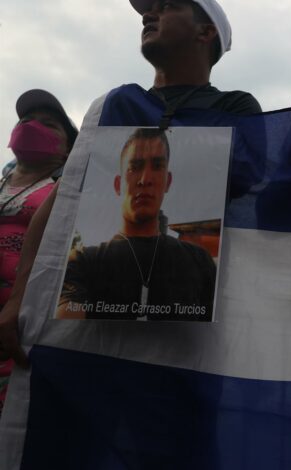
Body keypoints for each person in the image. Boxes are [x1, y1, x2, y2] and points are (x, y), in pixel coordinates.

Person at [0, 0, 260, 365]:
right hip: (99, 348)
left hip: (191, 350)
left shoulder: (237, 108)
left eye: (167, 6)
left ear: (206, 32)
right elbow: (62, 201)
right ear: (119, 183)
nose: (149, 15)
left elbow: (259, 194)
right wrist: (18, 299)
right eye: (146, 11)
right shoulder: (116, 105)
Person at [56, 128, 216, 320]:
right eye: (135, 167)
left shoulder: (200, 262)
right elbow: (66, 324)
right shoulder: (82, 262)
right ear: (118, 184)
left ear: (168, 181)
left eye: (157, 166)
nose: (145, 179)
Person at [0, 89, 78, 416]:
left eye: (48, 124)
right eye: (25, 120)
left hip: (24, 323)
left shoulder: (67, 191)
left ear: (67, 148)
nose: (32, 125)